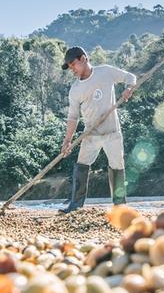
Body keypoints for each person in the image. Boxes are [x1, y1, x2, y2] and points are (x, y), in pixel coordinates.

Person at [58, 46, 136, 214]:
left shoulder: (106, 72)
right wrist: (67, 140)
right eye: (70, 67)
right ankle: (75, 205)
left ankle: (120, 207)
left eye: (73, 65)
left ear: (83, 58)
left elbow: (131, 77)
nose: (72, 70)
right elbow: (73, 117)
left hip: (112, 132)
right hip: (90, 134)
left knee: (117, 166)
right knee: (82, 165)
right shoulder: (75, 90)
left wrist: (129, 88)